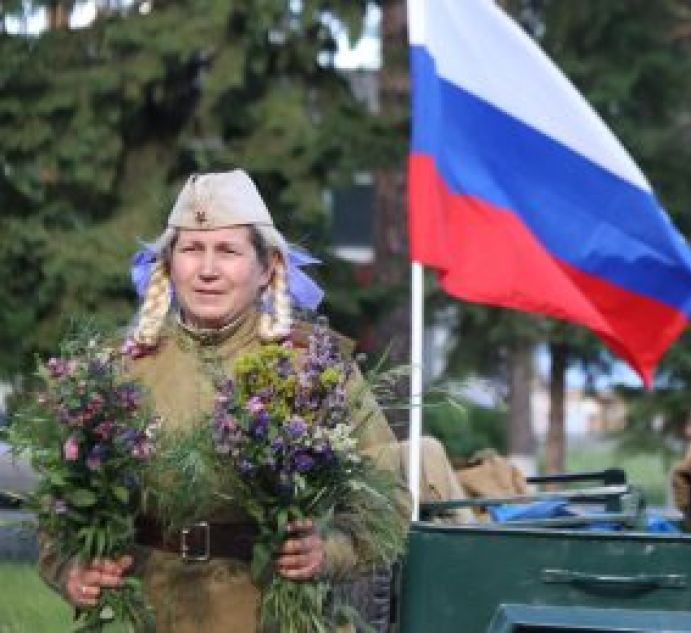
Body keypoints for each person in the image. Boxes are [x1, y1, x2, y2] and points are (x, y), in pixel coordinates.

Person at [37, 169, 411, 631]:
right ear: (169, 265)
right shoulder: (115, 370)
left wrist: (327, 549)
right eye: (193, 250)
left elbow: (386, 497)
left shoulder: (314, 368)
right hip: (151, 613)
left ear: (267, 267)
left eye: (228, 251)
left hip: (272, 613)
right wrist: (73, 568)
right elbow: (59, 504)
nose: (208, 270)